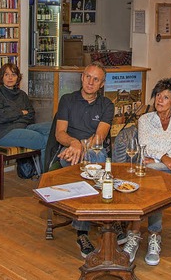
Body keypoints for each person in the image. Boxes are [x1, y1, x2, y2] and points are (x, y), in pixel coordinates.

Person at [122, 79, 171, 266]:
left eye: (166, 97)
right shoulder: (145, 120)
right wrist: (166, 158)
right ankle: (152, 235)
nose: (160, 100)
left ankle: (135, 234)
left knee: (151, 174)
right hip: (156, 169)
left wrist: (159, 159)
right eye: (158, 95)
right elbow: (145, 146)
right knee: (154, 182)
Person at [53, 62, 114, 258]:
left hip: (93, 150)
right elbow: (59, 133)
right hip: (68, 151)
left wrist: (81, 146)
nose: (90, 82)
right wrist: (74, 144)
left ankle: (82, 232)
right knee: (95, 166)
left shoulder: (107, 105)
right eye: (88, 76)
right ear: (81, 77)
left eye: (96, 79)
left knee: (91, 161)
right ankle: (112, 223)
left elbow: (99, 138)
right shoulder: (67, 100)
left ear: (102, 84)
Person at [0, 63, 51, 175]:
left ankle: (43, 169)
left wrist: (14, 116)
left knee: (52, 127)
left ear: (18, 77)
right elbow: (2, 117)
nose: (10, 78)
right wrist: (21, 113)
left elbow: (31, 114)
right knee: (43, 140)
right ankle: (46, 177)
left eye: (13, 74)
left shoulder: (22, 95)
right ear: (2, 77)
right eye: (6, 74)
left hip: (24, 127)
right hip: (4, 133)